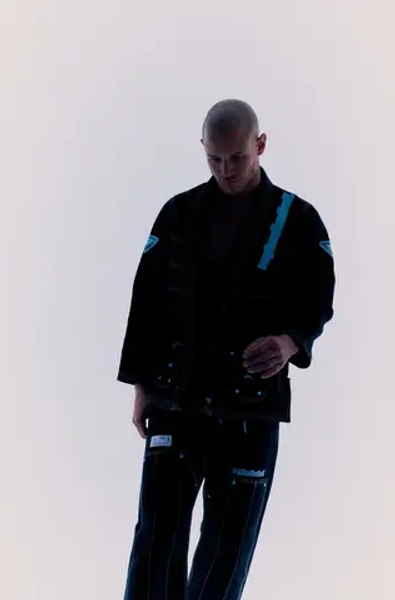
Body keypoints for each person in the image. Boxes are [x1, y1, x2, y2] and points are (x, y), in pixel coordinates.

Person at [117, 99, 336, 599]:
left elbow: (319, 297)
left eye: (237, 157)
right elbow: (146, 301)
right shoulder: (177, 214)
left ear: (260, 145)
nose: (226, 169)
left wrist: (289, 341)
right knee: (156, 538)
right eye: (214, 159)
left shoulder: (299, 220)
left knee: (227, 550)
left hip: (250, 407)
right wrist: (141, 386)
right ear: (202, 149)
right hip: (176, 397)